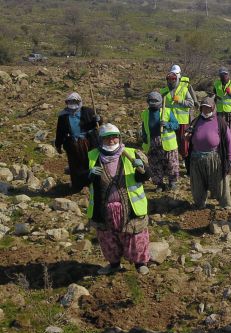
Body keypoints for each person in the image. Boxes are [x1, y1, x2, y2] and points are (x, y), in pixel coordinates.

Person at [85, 123, 151, 275]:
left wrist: (142, 167)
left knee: (135, 236)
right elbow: (80, 180)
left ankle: (140, 263)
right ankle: (114, 264)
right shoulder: (92, 156)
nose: (111, 141)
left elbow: (145, 176)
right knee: (108, 238)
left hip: (130, 207)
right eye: (107, 138)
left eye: (114, 137)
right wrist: (89, 174)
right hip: (104, 208)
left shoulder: (132, 153)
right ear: (101, 140)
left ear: (120, 138)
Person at [187, 97, 231, 210]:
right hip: (197, 158)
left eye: (208, 108)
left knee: (220, 183)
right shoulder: (196, 121)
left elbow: (229, 141)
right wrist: (187, 137)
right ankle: (199, 204)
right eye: (203, 108)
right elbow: (188, 135)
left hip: (214, 158)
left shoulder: (220, 122)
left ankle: (225, 204)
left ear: (213, 108)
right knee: (197, 184)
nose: (206, 110)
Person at [55, 92, 101, 192]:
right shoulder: (63, 116)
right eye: (70, 101)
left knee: (90, 162)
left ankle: (92, 182)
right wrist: (58, 145)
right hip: (73, 144)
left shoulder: (87, 111)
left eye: (75, 101)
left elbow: (95, 124)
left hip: (89, 142)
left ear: (79, 101)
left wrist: (99, 119)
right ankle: (78, 184)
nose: (72, 104)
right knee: (75, 165)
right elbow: (60, 131)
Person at [140, 91, 180, 192]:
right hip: (152, 143)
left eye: (155, 100)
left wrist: (167, 124)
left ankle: (172, 182)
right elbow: (144, 127)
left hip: (168, 144)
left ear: (160, 101)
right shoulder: (145, 114)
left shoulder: (166, 111)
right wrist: (144, 136)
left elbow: (176, 124)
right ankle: (159, 184)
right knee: (155, 164)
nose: (153, 102)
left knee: (171, 163)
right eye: (151, 100)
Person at [160, 65, 194, 164]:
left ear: (177, 78)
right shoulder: (164, 91)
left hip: (182, 120)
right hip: (169, 121)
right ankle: (171, 159)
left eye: (174, 79)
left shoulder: (184, 89)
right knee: (171, 141)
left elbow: (191, 103)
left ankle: (184, 159)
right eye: (169, 79)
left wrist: (180, 100)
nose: (171, 81)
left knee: (183, 141)